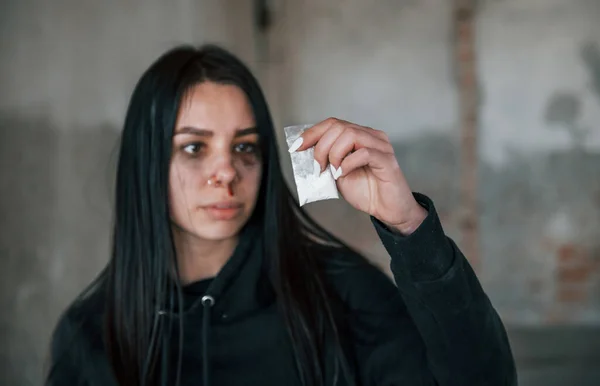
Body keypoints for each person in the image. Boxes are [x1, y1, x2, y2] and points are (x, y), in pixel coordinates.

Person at [45, 44, 516, 386]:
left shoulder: (341, 295)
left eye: (245, 146)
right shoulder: (90, 335)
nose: (226, 172)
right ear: (144, 162)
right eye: (193, 147)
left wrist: (411, 229)